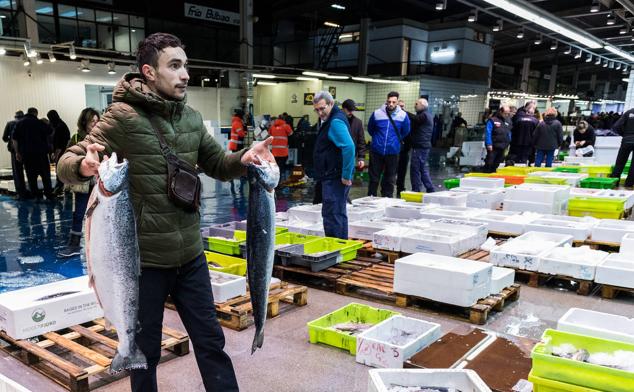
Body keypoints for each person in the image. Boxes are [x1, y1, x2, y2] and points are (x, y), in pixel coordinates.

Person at [57, 33, 274, 392]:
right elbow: (67, 159)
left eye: (185, 65)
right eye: (174, 66)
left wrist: (244, 158)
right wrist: (82, 165)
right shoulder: (122, 118)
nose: (185, 74)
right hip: (144, 265)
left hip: (190, 255)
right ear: (149, 72)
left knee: (211, 344)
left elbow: (219, 164)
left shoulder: (191, 117)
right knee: (144, 355)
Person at [57, 108, 100, 258]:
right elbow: (67, 158)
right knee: (79, 213)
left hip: (100, 183)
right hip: (83, 184)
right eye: (91, 121)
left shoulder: (103, 136)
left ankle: (98, 245)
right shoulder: (76, 137)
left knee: (99, 215)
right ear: (84, 122)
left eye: (96, 121)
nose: (94, 124)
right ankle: (74, 244)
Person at [312, 91, 355, 239]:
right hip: (331, 174)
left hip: (335, 177)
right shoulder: (332, 118)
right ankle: (339, 247)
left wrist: (346, 175)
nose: (320, 113)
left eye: (322, 108)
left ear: (331, 104)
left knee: (332, 214)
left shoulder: (335, 122)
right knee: (336, 213)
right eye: (316, 110)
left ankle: (335, 249)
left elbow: (349, 147)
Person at [367, 91, 411, 197]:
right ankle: (370, 197)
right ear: (386, 101)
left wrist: (395, 140)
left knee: (390, 178)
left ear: (397, 102)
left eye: (393, 102)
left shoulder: (403, 115)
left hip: (393, 151)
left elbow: (405, 131)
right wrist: (378, 139)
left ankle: (387, 199)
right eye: (389, 101)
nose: (391, 104)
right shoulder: (377, 113)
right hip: (376, 150)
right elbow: (370, 129)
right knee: (374, 178)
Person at [12, 107, 54, 199]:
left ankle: (36, 196)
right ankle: (48, 194)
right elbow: (50, 131)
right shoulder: (39, 123)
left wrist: (17, 152)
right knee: (45, 176)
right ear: (35, 113)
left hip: (27, 155)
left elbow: (14, 139)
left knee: (31, 177)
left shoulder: (19, 123)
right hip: (41, 154)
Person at [410, 98, 435, 193]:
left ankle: (416, 189)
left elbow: (415, 119)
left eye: (416, 104)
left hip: (420, 146)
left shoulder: (423, 115)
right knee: (422, 168)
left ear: (422, 105)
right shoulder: (426, 115)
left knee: (415, 168)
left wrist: (404, 112)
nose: (414, 106)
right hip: (422, 146)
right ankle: (430, 188)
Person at [2, 110, 29, 199]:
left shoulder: (10, 123)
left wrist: (10, 139)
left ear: (15, 116)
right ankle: (31, 191)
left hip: (15, 151)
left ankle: (21, 193)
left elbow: (4, 138)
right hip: (27, 150)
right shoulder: (27, 123)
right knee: (30, 171)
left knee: (17, 172)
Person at [48, 110, 71, 194]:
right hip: (63, 151)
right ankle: (60, 188)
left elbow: (59, 143)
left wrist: (56, 155)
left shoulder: (59, 127)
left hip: (61, 152)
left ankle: (59, 189)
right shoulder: (61, 124)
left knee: (60, 171)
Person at [483, 105, 512, 173]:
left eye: (508, 113)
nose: (507, 115)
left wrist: (509, 141)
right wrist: (489, 143)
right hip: (493, 146)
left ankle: (493, 173)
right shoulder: (492, 120)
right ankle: (486, 173)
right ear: (501, 112)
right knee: (490, 161)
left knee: (497, 162)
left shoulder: (508, 121)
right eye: (505, 113)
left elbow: (509, 132)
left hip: (503, 146)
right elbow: (488, 132)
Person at [610, 108, 634, 187]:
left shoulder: (628, 112)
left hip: (626, 140)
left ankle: (614, 182)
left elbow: (616, 126)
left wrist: (625, 135)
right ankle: (629, 184)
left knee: (620, 163)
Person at [509, 101, 538, 165]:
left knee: (515, 159)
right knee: (525, 159)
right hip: (529, 143)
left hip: (516, 142)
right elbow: (537, 133)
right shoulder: (535, 121)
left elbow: (512, 129)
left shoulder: (517, 117)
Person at [395, 99, 413, 197]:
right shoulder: (392, 117)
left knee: (402, 171)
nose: (402, 108)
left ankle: (400, 189)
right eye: (400, 106)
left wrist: (408, 147)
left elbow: (409, 133)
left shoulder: (407, 116)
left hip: (404, 149)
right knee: (391, 171)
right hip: (394, 149)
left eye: (403, 106)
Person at [228, 109, 247, 194]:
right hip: (236, 146)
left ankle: (235, 174)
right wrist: (245, 131)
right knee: (237, 161)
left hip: (236, 145)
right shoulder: (237, 123)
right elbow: (241, 134)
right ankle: (234, 174)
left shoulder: (236, 122)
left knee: (237, 161)